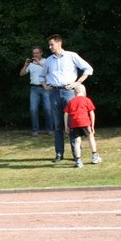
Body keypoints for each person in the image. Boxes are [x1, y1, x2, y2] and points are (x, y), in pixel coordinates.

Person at [43, 34, 94, 162]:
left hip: (69, 92)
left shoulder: (71, 56)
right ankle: (59, 154)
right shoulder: (48, 60)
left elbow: (88, 69)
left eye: (52, 44)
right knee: (57, 125)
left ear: (59, 44)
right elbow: (41, 76)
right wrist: (45, 85)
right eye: (49, 45)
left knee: (73, 123)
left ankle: (76, 154)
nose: (50, 47)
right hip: (54, 92)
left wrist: (78, 82)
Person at [64, 84, 103, 168]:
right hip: (85, 122)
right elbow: (92, 113)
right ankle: (95, 156)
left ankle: (78, 160)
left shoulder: (71, 101)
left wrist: (66, 126)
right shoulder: (87, 100)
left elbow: (66, 114)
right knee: (91, 137)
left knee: (77, 141)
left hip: (74, 124)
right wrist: (92, 126)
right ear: (82, 91)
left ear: (76, 92)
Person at [19, 46, 52, 137]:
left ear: (41, 53)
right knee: (33, 109)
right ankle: (35, 130)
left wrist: (39, 64)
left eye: (37, 53)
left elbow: (51, 71)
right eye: (34, 53)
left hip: (45, 88)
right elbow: (21, 74)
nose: (35, 55)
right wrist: (26, 65)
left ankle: (50, 129)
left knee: (48, 109)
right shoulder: (31, 63)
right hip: (34, 88)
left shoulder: (46, 61)